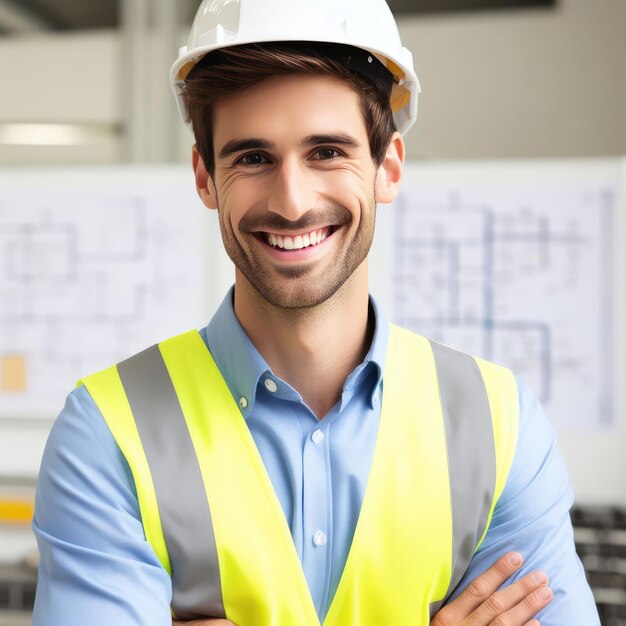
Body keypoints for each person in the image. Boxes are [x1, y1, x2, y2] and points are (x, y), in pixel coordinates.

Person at [32, 1, 600, 624]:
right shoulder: (109, 432)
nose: (293, 201)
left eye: (327, 151)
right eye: (252, 157)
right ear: (205, 177)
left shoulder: (501, 428)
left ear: (387, 167)